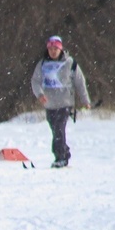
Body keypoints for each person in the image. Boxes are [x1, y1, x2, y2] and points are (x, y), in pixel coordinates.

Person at [29, 35, 90, 169]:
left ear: (60, 49)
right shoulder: (43, 64)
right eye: (51, 49)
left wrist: (85, 100)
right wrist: (40, 94)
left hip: (65, 103)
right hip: (50, 104)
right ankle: (64, 152)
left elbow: (79, 81)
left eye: (55, 48)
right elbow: (35, 81)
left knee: (59, 129)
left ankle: (61, 157)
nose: (53, 51)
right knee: (55, 130)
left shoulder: (69, 63)